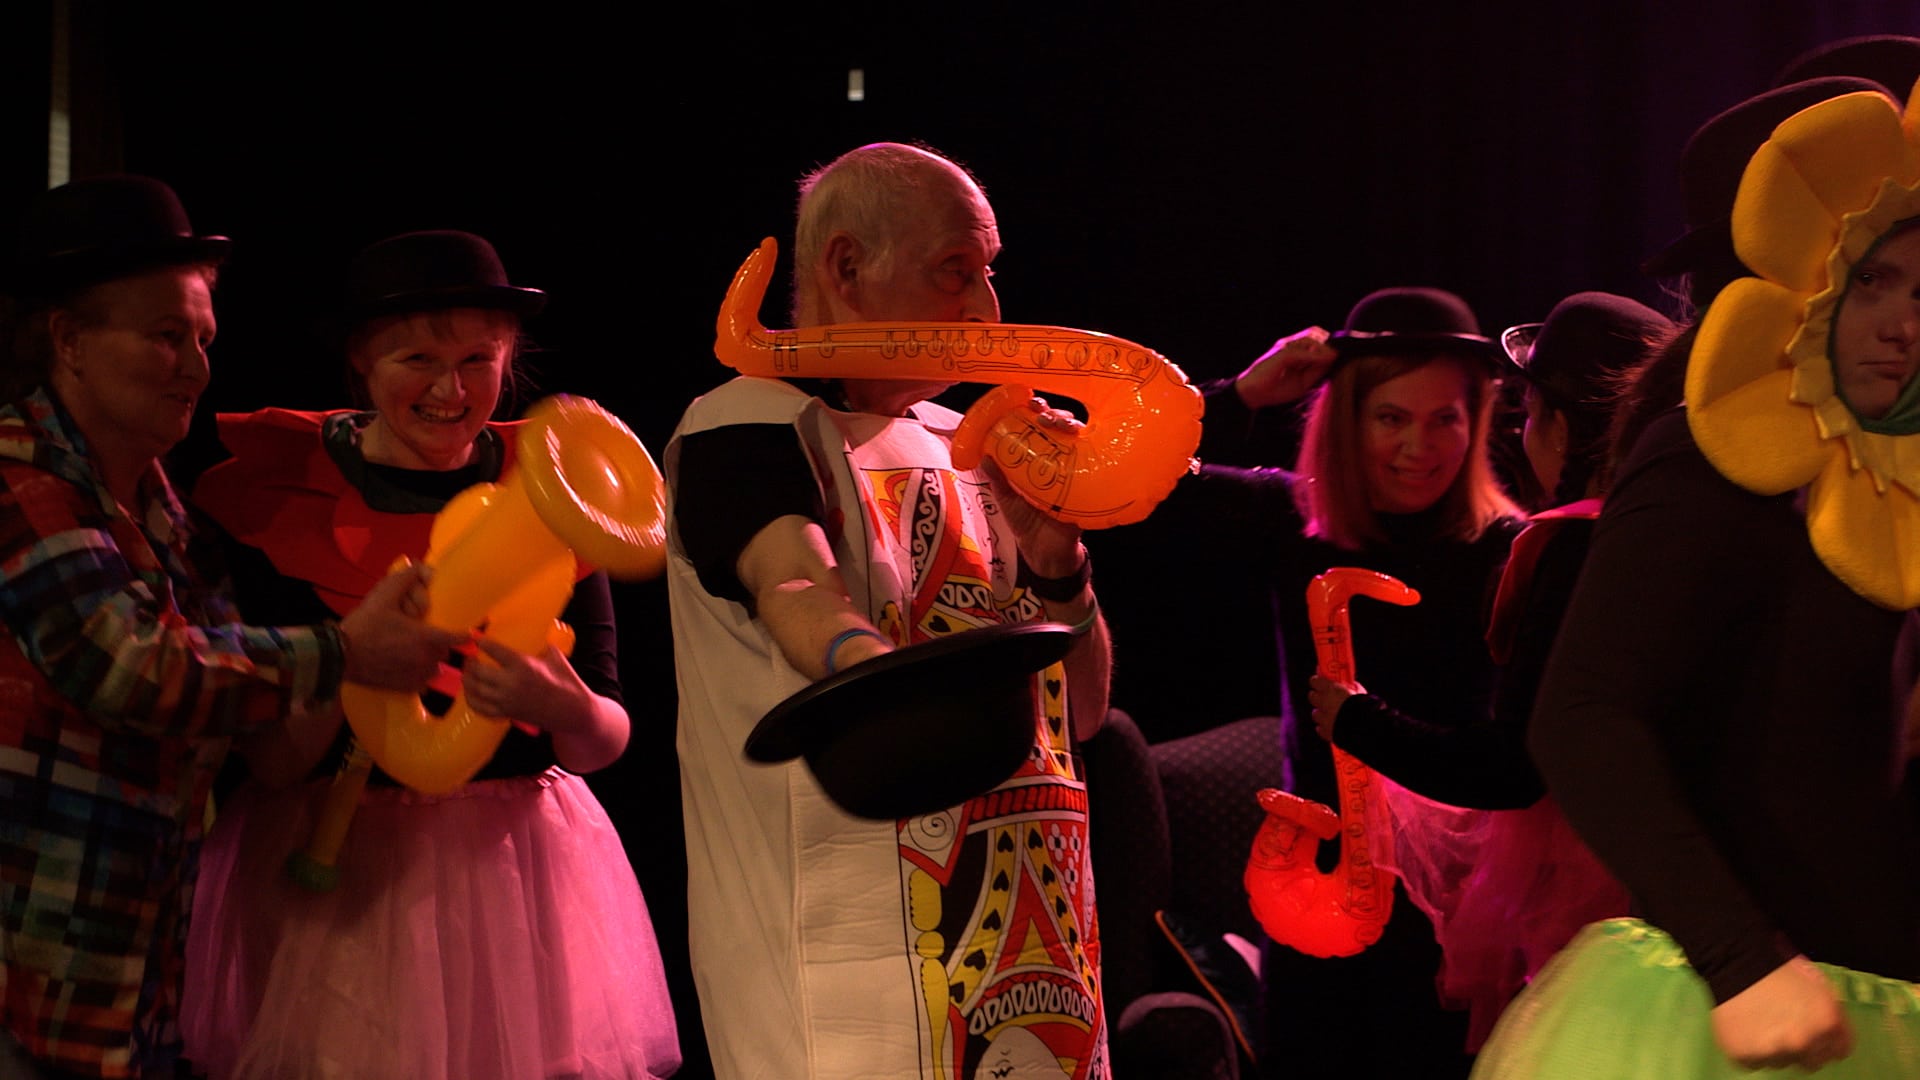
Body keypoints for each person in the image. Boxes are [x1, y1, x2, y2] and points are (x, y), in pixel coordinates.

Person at [1479, 85, 1920, 1076]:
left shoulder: (1890, 473)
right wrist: (1740, 961)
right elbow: (1582, 714)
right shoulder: (1710, 459)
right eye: (1872, 279)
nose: (1904, 324)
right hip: (1755, 1011)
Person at [179, 231, 680, 1079]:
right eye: (418, 359)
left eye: (478, 360)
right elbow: (271, 761)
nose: (451, 390)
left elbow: (605, 734)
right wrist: (355, 662)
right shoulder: (290, 496)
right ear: (361, 361)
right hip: (342, 880)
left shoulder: (547, 489)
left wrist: (565, 708)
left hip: (516, 875)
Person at [666, 142, 1113, 1078]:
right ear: (846, 266)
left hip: (1041, 953)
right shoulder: (745, 422)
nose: (987, 310)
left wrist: (1060, 564)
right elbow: (795, 584)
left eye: (990, 273)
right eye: (955, 270)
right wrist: (868, 668)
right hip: (859, 966)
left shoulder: (975, 439)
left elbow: (1084, 713)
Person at [0, 177, 454, 1079]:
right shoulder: (17, 480)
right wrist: (346, 649)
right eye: (166, 337)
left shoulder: (169, 518)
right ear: (69, 340)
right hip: (23, 984)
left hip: (124, 988)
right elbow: (132, 669)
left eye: (204, 340)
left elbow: (267, 746)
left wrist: (386, 626)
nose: (199, 370)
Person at [1181, 286, 1523, 1077]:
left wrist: (1367, 726)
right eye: (1392, 418)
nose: (1419, 447)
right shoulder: (1293, 522)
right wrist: (1243, 396)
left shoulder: (1510, 550)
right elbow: (1133, 483)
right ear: (1348, 422)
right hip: (1324, 911)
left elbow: (1508, 757)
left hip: (1461, 919)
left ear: (1476, 424)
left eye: (1445, 419)